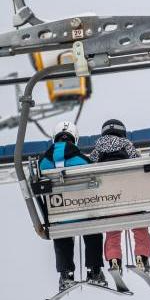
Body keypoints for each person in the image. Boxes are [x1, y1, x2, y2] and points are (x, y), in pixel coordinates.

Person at [40, 121, 106, 291]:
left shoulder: (43, 163)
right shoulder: (83, 160)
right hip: (84, 212)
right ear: (75, 138)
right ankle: (94, 270)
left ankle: (65, 273)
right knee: (93, 229)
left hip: (58, 213)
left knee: (60, 230)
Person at [88, 119, 150, 272]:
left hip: (110, 200)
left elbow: (89, 166)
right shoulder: (127, 145)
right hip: (130, 197)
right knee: (140, 227)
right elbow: (138, 163)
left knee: (112, 232)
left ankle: (114, 259)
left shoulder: (97, 149)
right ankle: (141, 256)